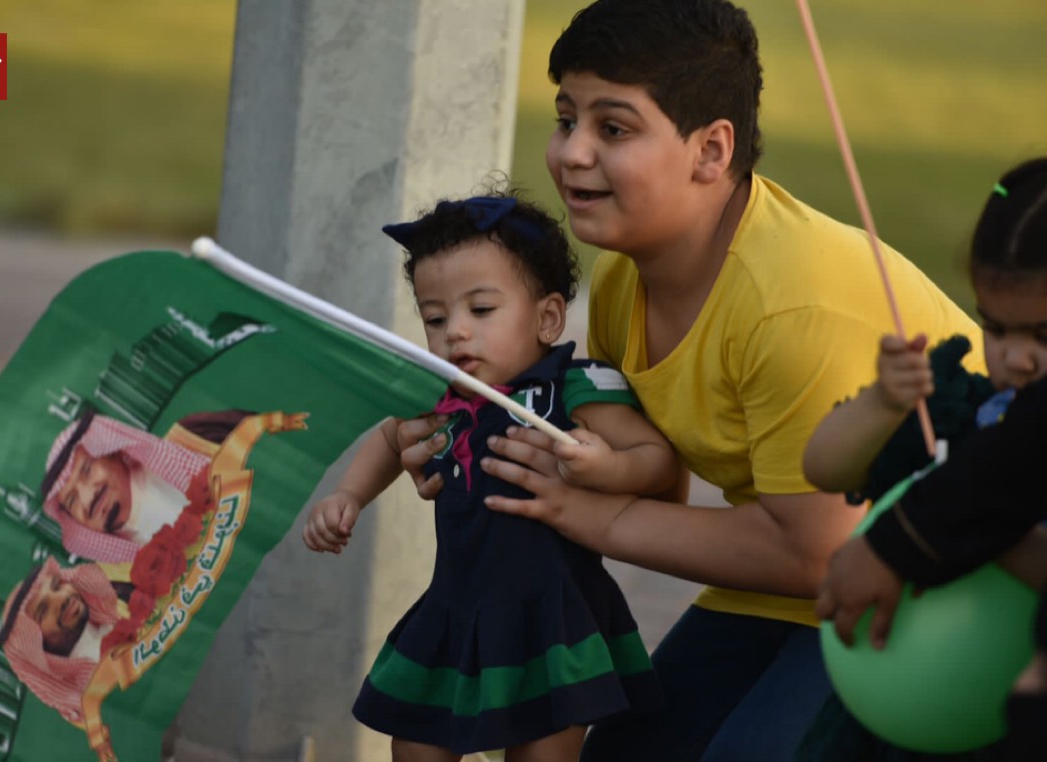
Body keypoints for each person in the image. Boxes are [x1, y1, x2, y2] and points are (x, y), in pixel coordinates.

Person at [396, 2, 985, 759]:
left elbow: (818, 554)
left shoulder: (792, 304)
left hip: (936, 586)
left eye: (613, 128)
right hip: (789, 588)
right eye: (566, 118)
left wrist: (589, 515)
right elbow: (658, 491)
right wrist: (483, 451)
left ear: (711, 150)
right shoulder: (621, 285)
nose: (572, 152)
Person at [302, 190, 675, 761]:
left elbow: (657, 459)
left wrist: (609, 466)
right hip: (456, 608)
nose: (455, 332)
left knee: (542, 753)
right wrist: (348, 495)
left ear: (547, 317)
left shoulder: (571, 389)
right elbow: (388, 438)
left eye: (480, 310)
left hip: (551, 618)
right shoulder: (440, 395)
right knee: (416, 747)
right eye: (435, 317)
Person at [810, 158, 1047, 760]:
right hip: (898, 717)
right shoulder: (966, 413)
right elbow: (826, 468)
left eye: (1043, 337)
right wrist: (883, 404)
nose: (1017, 357)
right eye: (997, 330)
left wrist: (970, 527)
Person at [41, 408, 285, 563]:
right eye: (72, 500)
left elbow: (283, 460)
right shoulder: (123, 586)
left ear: (113, 451)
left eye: (86, 470)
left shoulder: (194, 436)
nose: (87, 497)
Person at [0, 557, 131, 725]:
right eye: (43, 611)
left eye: (57, 586)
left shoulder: (116, 606)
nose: (62, 597)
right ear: (36, 649)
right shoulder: (90, 691)